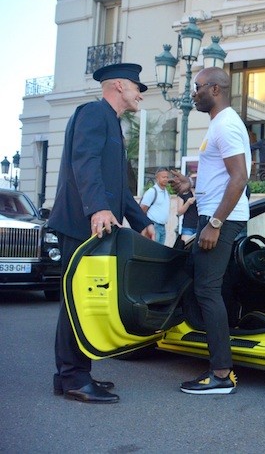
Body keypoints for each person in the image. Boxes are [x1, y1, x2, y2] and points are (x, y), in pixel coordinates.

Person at [49, 63, 155, 404]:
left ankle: (71, 376)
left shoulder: (113, 123)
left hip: (93, 225)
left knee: (80, 301)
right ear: (120, 86)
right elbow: (85, 161)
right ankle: (74, 377)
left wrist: (141, 221)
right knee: (77, 302)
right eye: (137, 87)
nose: (140, 93)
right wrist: (97, 207)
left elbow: (119, 188)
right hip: (81, 224)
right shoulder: (94, 112)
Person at [179, 67, 251, 395]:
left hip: (222, 218)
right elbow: (221, 179)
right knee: (212, 290)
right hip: (216, 214)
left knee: (207, 290)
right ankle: (221, 367)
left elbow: (239, 178)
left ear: (215, 89)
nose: (193, 93)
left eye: (197, 87)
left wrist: (215, 224)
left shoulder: (226, 124)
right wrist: (187, 185)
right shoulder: (218, 124)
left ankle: (221, 373)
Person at [140, 167, 170, 244]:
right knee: (152, 251)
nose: (166, 179)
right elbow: (142, 209)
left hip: (162, 227)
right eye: (163, 177)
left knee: (160, 253)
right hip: (153, 226)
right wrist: (146, 226)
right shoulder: (152, 192)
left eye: (167, 177)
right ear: (157, 178)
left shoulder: (166, 192)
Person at [171, 169, 198, 243]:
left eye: (196, 179)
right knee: (186, 248)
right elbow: (179, 212)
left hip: (200, 226)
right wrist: (188, 203)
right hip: (188, 227)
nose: (195, 181)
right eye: (193, 179)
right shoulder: (183, 193)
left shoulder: (202, 193)